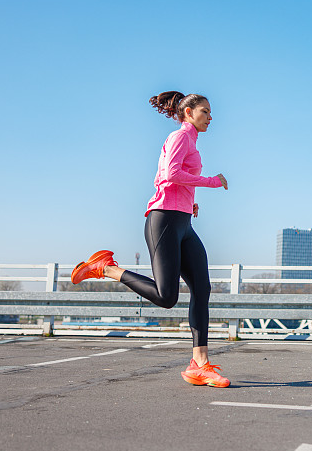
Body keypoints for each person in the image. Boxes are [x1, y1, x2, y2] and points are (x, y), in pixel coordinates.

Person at [71, 91, 231, 387]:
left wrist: (189, 202)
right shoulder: (179, 137)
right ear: (189, 113)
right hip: (164, 221)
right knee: (166, 297)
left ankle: (200, 364)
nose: (210, 117)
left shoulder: (191, 141)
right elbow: (169, 174)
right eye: (205, 111)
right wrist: (211, 182)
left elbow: (176, 178)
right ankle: (105, 268)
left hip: (183, 221)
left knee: (202, 288)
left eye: (210, 112)